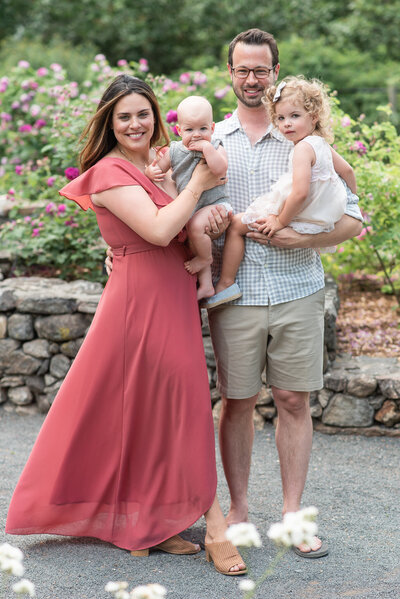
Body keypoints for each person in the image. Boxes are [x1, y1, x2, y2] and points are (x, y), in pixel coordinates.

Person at [5, 74, 246, 576]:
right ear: (109, 123)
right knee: (183, 402)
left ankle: (147, 524)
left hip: (173, 293)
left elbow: (177, 226)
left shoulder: (161, 162)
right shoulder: (109, 172)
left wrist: (189, 197)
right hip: (140, 301)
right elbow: (158, 231)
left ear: (157, 117)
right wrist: (199, 184)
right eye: (124, 116)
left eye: (143, 114)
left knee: (154, 408)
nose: (135, 124)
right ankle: (216, 526)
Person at [206, 29, 363, 558]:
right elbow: (174, 206)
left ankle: (293, 515)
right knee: (238, 402)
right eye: (242, 70)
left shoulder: (305, 138)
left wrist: (306, 236)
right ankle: (240, 509)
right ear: (230, 73)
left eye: (261, 70)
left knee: (294, 399)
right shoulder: (215, 140)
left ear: (275, 72)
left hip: (297, 284)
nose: (252, 79)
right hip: (238, 294)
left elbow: (354, 216)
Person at [208, 75, 356, 305]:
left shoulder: (301, 149)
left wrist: (279, 221)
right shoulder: (321, 144)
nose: (286, 123)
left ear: (313, 117)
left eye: (294, 116)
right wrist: (349, 201)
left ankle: (226, 283)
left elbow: (299, 193)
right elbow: (348, 172)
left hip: (297, 213)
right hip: (320, 215)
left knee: (236, 225)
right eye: (280, 118)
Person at [145, 95, 239, 303]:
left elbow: (220, 169)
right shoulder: (175, 151)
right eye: (189, 130)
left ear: (212, 128)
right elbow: (158, 170)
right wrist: (151, 173)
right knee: (191, 233)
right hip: (192, 208)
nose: (197, 135)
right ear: (179, 131)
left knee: (195, 227)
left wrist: (208, 149)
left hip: (216, 205)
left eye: (203, 129)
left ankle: (206, 258)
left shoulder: (215, 145)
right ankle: (206, 285)